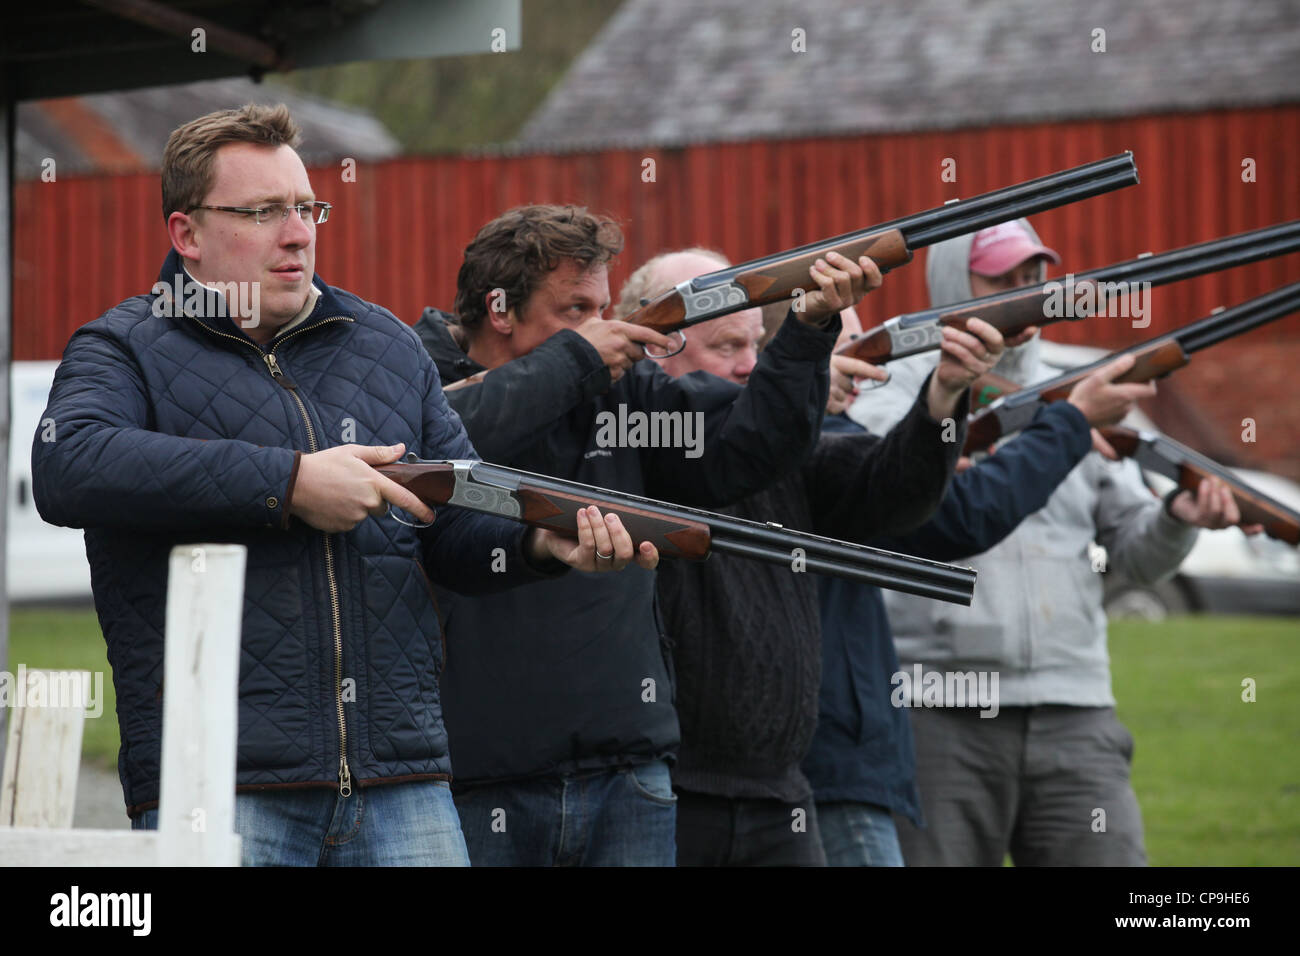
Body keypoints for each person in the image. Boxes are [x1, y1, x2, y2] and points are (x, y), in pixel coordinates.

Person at [30, 105, 652, 868]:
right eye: (262, 212)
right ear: (186, 234)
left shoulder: (386, 345)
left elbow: (454, 523)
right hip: (219, 784)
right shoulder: (122, 346)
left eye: (304, 208)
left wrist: (539, 543)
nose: (297, 233)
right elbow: (70, 465)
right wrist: (288, 483)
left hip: (404, 777)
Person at [414, 206, 880, 865]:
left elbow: (747, 450)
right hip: (476, 778)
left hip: (625, 769)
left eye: (601, 308)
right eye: (575, 309)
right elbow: (442, 443)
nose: (597, 328)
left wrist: (808, 331)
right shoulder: (415, 377)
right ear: (499, 310)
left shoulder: (624, 393)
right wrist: (575, 361)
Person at [846, 219, 1250, 866]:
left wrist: (1178, 518)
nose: (1022, 290)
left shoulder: (1090, 390)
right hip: (937, 705)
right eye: (1000, 277)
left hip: (1076, 703)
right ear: (954, 283)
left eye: (1032, 275)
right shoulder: (889, 387)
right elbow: (907, 514)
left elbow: (1133, 556)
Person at [615, 248, 1006, 865]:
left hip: (778, 793)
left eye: (756, 344)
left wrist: (943, 396)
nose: (749, 365)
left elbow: (889, 493)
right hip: (661, 790)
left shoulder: (779, 452)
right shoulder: (625, 449)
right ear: (653, 345)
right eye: (725, 347)